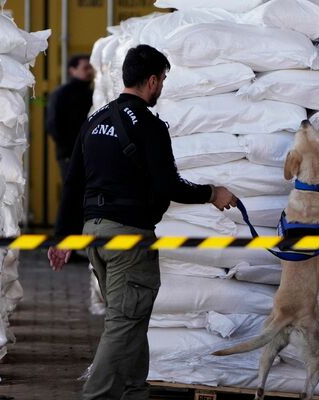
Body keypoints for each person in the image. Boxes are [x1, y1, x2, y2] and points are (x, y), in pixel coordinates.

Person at [48, 44, 238, 400]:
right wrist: (213, 194)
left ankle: (135, 391)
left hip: (95, 235)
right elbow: (169, 186)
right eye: (162, 79)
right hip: (129, 239)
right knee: (124, 322)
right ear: (152, 80)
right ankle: (97, 395)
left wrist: (62, 237)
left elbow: (73, 182)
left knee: (129, 319)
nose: (162, 86)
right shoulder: (149, 125)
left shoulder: (95, 120)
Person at [46, 54, 94, 181]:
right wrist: (69, 150)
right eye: (86, 68)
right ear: (72, 70)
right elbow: (52, 125)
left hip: (90, 155)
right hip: (69, 155)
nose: (90, 71)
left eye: (91, 68)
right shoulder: (61, 94)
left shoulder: (93, 95)